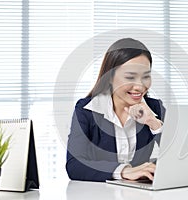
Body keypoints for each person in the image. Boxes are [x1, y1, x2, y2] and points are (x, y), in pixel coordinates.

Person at [66, 38, 166, 182]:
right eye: (130, 77)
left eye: (146, 76)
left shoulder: (154, 108)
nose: (139, 86)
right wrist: (124, 171)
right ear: (110, 77)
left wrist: (153, 122)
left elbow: (178, 157)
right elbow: (74, 165)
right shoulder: (86, 110)